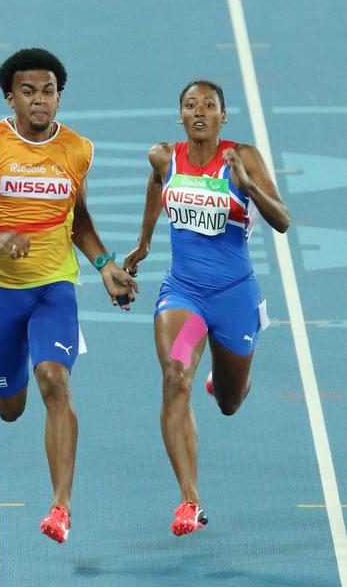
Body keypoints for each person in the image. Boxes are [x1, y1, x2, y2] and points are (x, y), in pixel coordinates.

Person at [0, 47, 138, 544]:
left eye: (48, 91)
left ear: (58, 98)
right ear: (11, 97)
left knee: (54, 380)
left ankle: (60, 508)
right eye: (29, 91)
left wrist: (104, 263)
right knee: (10, 410)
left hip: (54, 288)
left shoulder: (77, 150)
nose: (40, 100)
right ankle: (9, 360)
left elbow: (79, 216)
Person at [123, 79, 289, 536]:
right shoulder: (164, 156)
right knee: (176, 376)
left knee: (231, 403)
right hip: (185, 298)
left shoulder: (244, 156)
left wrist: (249, 186)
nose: (200, 111)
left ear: (223, 116)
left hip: (234, 298)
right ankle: (189, 501)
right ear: (180, 116)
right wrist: (143, 244)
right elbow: (156, 184)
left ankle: (225, 379)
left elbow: (283, 221)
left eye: (209, 105)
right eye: (191, 105)